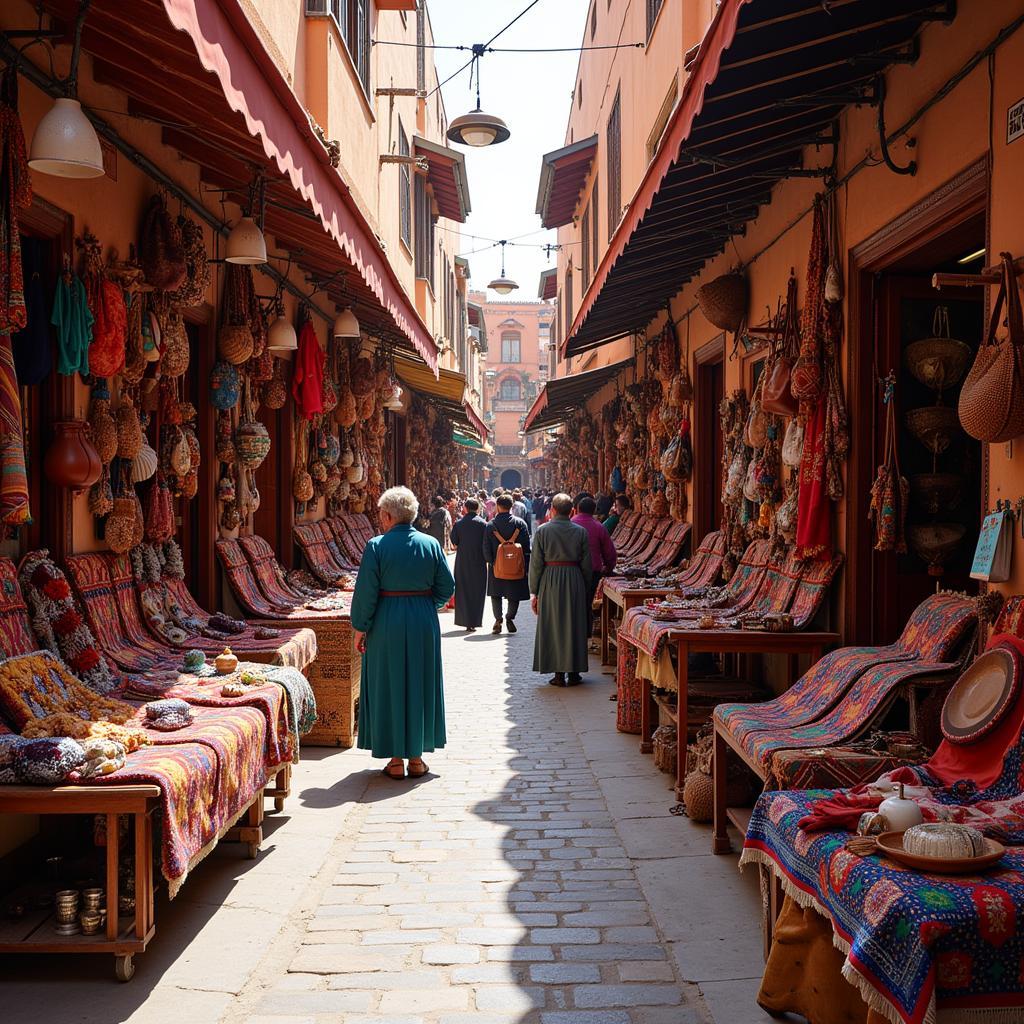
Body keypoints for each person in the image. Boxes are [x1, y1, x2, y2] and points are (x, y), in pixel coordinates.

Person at [351, 486, 455, 780]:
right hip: (422, 620)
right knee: (420, 682)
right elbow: (447, 587)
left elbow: (366, 593)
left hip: (386, 621)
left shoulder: (376, 546)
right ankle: (417, 759)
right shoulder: (431, 545)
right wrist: (425, 604)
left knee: (390, 683)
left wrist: (360, 627)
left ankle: (396, 760)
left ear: (386, 515)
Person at [530, 493, 593, 687]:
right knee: (574, 624)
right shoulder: (580, 532)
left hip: (550, 579)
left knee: (553, 624)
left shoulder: (542, 531)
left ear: (553, 510)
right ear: (572, 510)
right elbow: (587, 564)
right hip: (574, 578)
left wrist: (535, 591)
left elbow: (536, 564)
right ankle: (574, 673)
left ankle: (558, 674)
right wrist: (586, 587)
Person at [483, 493, 531, 634]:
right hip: (516, 566)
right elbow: (527, 548)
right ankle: (510, 618)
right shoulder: (520, 524)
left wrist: (491, 563)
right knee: (514, 594)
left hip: (496, 566)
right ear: (511, 506)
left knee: (496, 594)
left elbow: (485, 547)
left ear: (498, 506)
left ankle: (498, 619)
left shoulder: (491, 525)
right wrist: (525, 565)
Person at [572, 495, 617, 640]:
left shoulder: (571, 524)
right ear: (594, 510)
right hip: (593, 570)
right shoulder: (599, 527)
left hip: (573, 569)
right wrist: (609, 567)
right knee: (587, 601)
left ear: (578, 508)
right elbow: (609, 552)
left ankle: (572, 631)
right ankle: (586, 633)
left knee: (573, 601)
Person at [450, 497, 488, 632]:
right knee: (478, 590)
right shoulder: (484, 524)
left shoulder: (459, 524)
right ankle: (475, 620)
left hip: (463, 561)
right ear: (478, 508)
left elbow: (454, 543)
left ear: (465, 508)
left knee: (463, 590)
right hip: (479, 561)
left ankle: (465, 621)